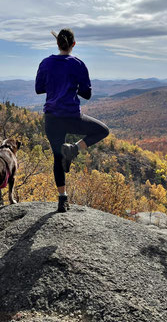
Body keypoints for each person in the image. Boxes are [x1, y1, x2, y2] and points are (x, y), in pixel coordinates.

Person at [35, 28, 109, 212]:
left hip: (52, 117)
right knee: (102, 130)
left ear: (57, 43)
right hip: (71, 116)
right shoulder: (78, 64)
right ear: (73, 44)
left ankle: (62, 199)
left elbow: (39, 88)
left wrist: (55, 85)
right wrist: (72, 86)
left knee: (57, 158)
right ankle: (75, 148)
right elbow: (87, 94)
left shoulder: (45, 63)